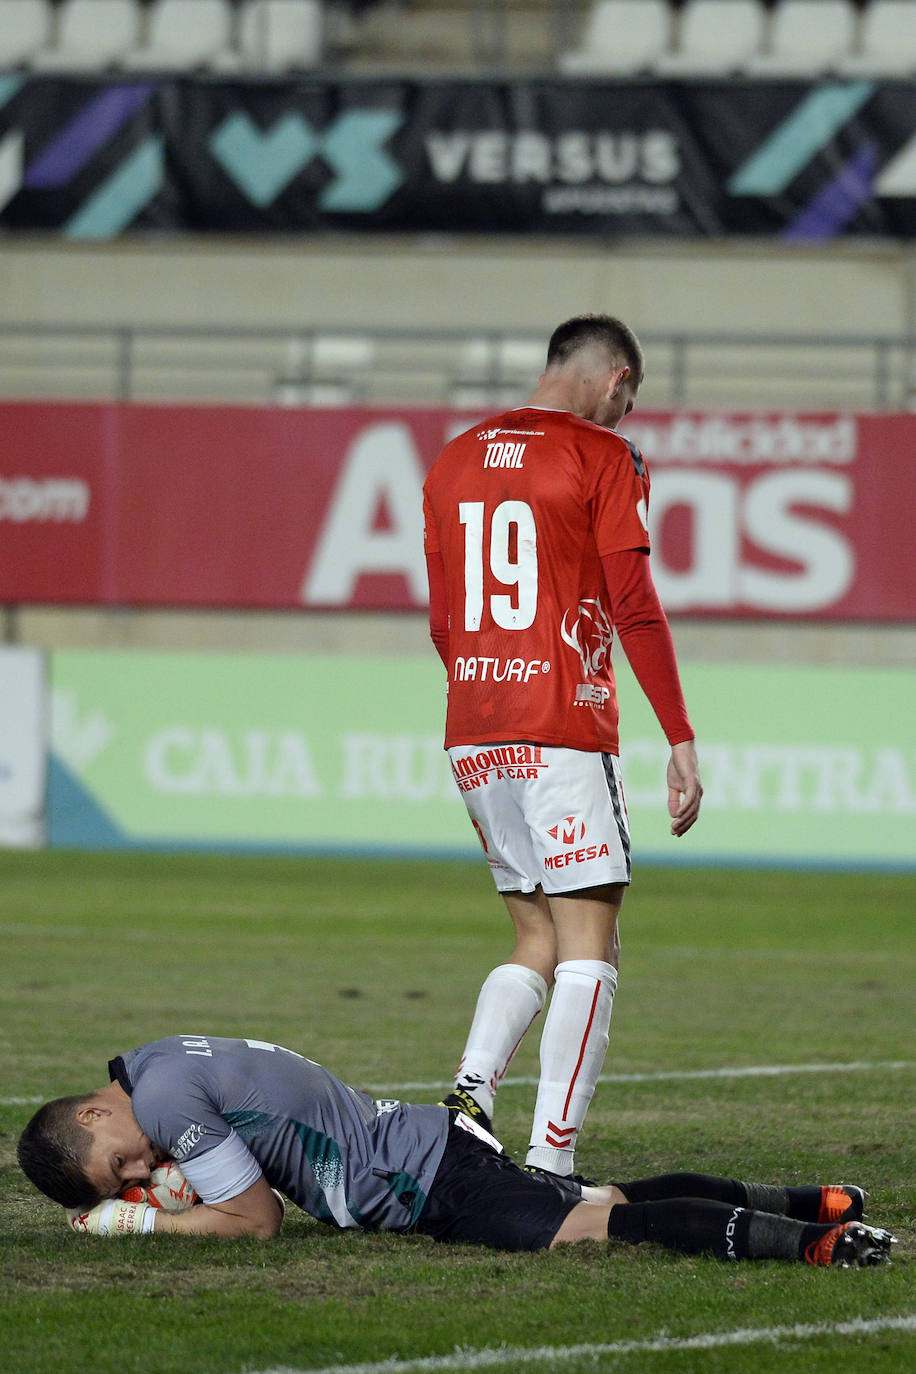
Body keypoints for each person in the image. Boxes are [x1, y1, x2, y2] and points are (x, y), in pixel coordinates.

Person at [422, 314, 702, 1179]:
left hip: (476, 729)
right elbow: (635, 602)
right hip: (562, 722)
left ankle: (469, 1099)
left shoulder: (453, 457)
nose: (625, 417)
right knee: (594, 943)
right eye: (630, 401)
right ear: (615, 380)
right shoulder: (605, 456)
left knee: (535, 933)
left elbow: (442, 616)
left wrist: (486, 689)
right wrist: (680, 736)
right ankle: (553, 1157)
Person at [16, 1033, 895, 1268]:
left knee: (586, 1229)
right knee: (606, 1200)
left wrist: (134, 1226)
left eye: (119, 1166)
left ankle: (813, 1243)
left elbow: (253, 1224)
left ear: (95, 1114)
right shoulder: (160, 1063)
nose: (141, 1173)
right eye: (126, 1184)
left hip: (423, 1176)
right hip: (428, 1146)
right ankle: (813, 1199)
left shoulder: (165, 1099)